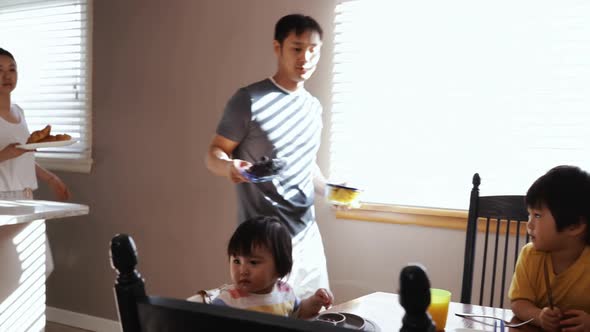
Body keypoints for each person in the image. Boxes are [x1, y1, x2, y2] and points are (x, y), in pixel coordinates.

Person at [205, 14, 330, 299]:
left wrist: (332, 191)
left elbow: (305, 164)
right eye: (297, 48)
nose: (305, 58)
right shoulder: (249, 99)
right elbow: (214, 153)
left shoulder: (313, 107)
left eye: (313, 49)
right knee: (269, 320)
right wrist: (229, 167)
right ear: (278, 48)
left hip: (307, 237)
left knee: (314, 315)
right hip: (263, 246)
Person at [509, 165, 590, 332]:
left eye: (537, 215)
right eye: (529, 214)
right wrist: (539, 316)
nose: (529, 223)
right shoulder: (530, 255)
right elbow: (519, 302)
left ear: (574, 226)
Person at [211, 216, 333, 318]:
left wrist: (315, 301)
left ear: (280, 268)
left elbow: (300, 312)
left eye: (253, 262)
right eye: (237, 261)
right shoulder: (227, 301)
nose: (243, 270)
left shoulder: (285, 293)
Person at [0, 47, 71, 201]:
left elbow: (23, 156)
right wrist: (4, 154)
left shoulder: (19, 112)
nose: (7, 76)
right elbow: (10, 154)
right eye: (0, 70)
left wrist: (51, 179)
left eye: (12, 69)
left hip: (25, 195)